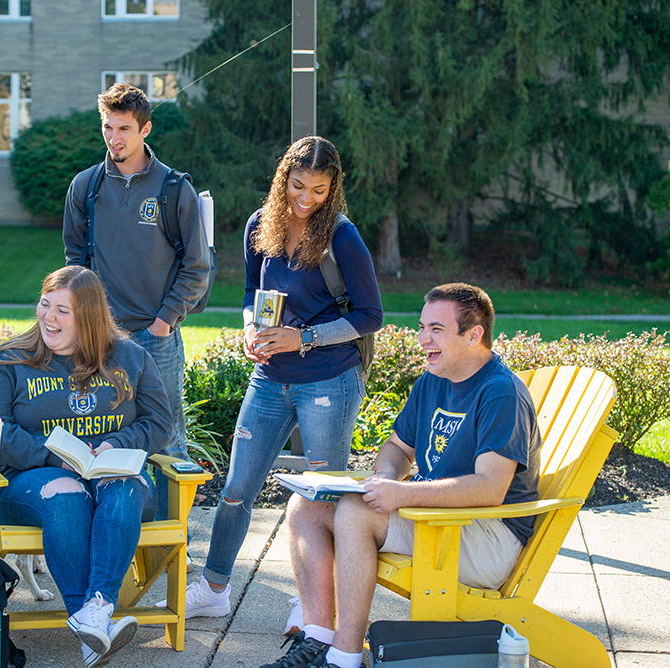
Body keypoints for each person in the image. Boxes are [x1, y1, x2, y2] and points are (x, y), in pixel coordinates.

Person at [259, 283, 542, 668]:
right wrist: (387, 479)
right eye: (422, 327)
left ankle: (343, 659)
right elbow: (396, 448)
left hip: (487, 533)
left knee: (357, 515)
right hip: (438, 518)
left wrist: (402, 495)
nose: (423, 339)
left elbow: (491, 488)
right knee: (305, 506)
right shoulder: (433, 381)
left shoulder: (499, 392)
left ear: (474, 334)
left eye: (437, 330)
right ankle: (319, 639)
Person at [170, 136, 383, 619]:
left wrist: (302, 338)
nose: (305, 198)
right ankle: (215, 589)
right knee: (235, 488)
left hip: (329, 379)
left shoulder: (342, 238)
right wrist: (250, 327)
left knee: (322, 496)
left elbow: (371, 316)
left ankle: (312, 606)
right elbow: (252, 291)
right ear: (283, 177)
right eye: (298, 185)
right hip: (268, 378)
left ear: (334, 189)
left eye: (319, 190)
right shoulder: (259, 225)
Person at [0, 266, 173, 668]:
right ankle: (93, 619)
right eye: (45, 305)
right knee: (67, 493)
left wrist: (115, 443)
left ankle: (94, 612)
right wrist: (55, 456)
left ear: (89, 317)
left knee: (123, 481)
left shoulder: (129, 357)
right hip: (34, 482)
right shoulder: (9, 361)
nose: (49, 317)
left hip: (112, 470)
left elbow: (159, 423)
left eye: (63, 311)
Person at [62, 83, 213, 520]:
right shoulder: (86, 186)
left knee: (165, 437)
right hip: (100, 339)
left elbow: (196, 268)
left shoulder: (173, 189)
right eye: (107, 127)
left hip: (155, 338)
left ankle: (172, 539)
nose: (114, 138)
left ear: (145, 128)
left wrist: (163, 323)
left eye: (124, 128)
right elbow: (74, 260)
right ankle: (113, 527)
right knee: (102, 433)